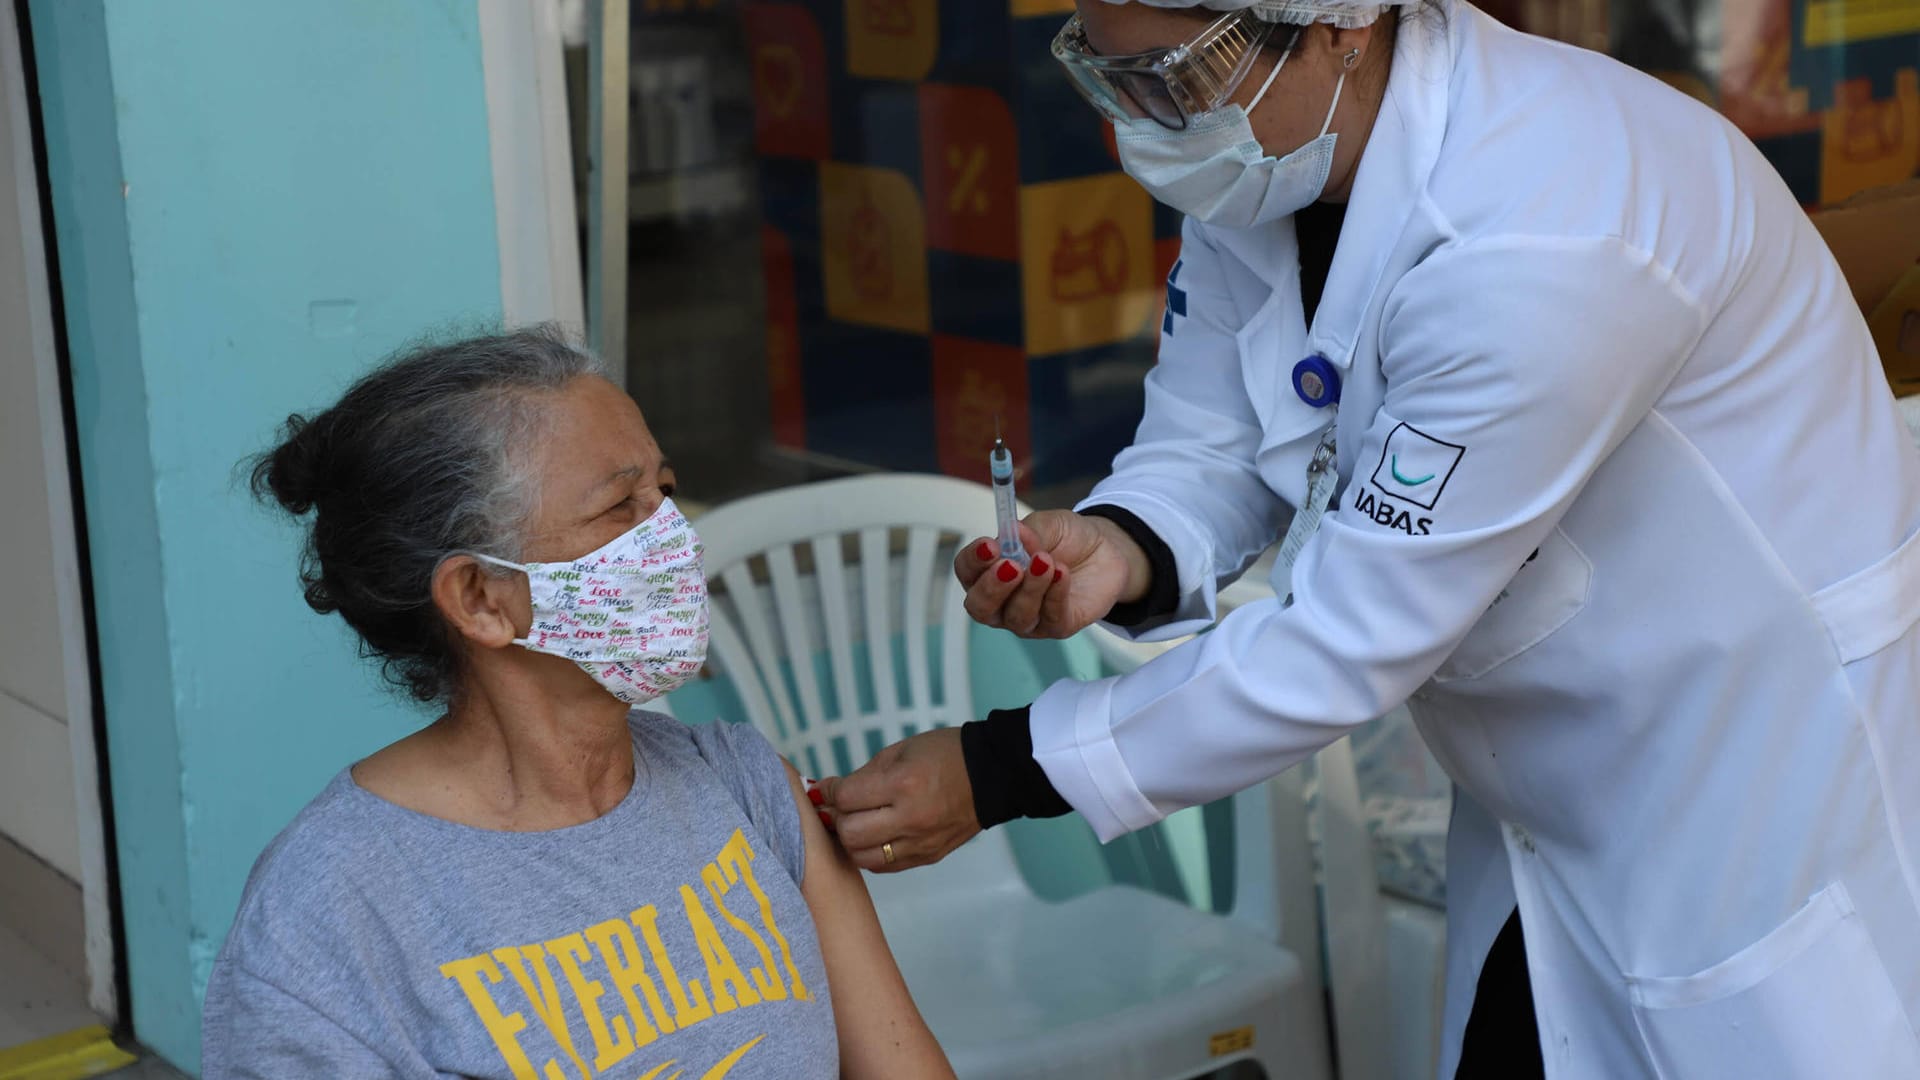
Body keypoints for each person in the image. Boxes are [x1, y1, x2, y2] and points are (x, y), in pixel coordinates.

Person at [816, 1, 1920, 1077]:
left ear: (1339, 23)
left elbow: (1349, 640)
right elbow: (1223, 424)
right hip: (1551, 766)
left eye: (1170, 74)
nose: (1140, 122)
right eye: (1110, 76)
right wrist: (1124, 543)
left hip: (1735, 749)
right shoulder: (1274, 143)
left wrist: (1003, 767)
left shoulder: (1547, 233)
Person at [203, 328, 953, 1080]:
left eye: (663, 490)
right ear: (480, 600)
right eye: (619, 508)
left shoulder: (745, 786)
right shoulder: (330, 917)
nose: (674, 538)